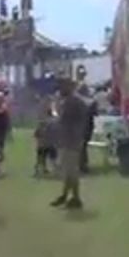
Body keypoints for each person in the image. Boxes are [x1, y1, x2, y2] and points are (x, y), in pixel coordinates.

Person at [51, 79, 88, 210]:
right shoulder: (76, 101)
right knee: (68, 171)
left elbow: (62, 119)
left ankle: (76, 198)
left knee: (71, 171)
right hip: (72, 139)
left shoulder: (71, 102)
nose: (60, 89)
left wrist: (55, 110)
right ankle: (65, 196)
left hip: (70, 140)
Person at [33, 102, 58, 177]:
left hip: (43, 143)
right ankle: (54, 171)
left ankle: (38, 171)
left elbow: (36, 134)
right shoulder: (53, 122)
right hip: (50, 143)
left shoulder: (42, 122)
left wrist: (38, 141)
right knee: (52, 158)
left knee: (41, 158)